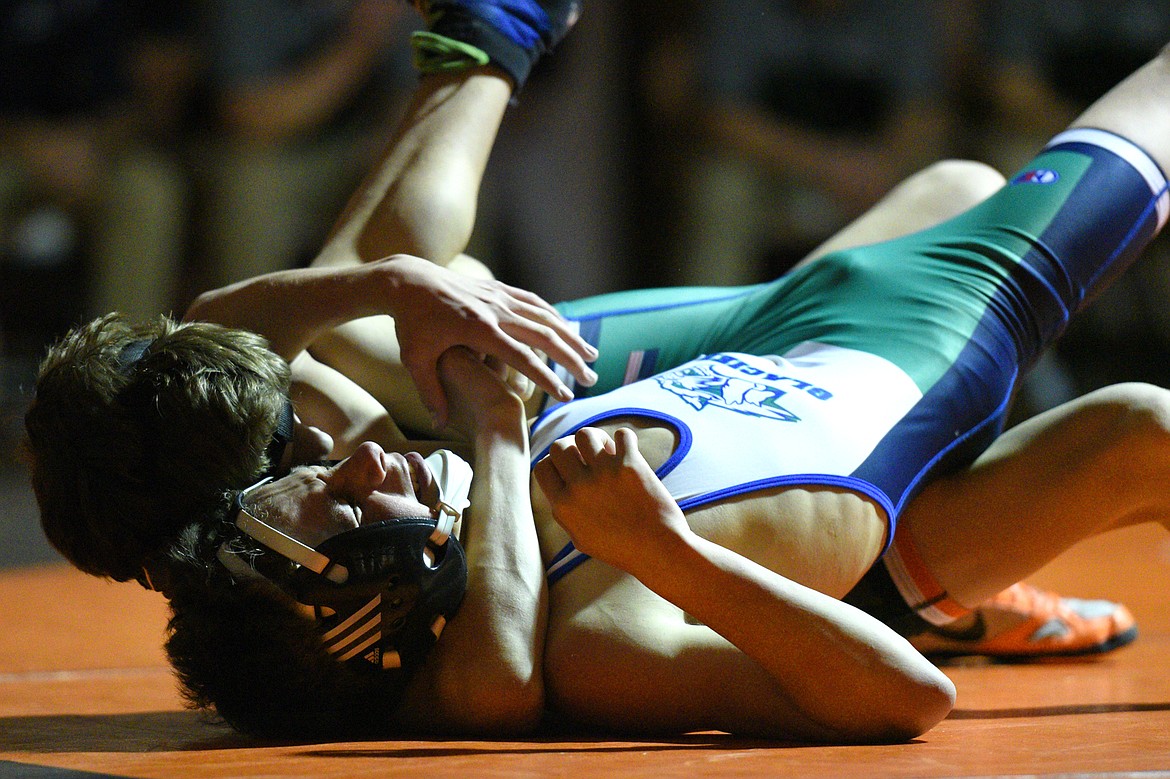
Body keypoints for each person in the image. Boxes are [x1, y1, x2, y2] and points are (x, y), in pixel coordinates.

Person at [26, 5, 1168, 742]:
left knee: (956, 179)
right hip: (871, 421)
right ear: (351, 587)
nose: (355, 447)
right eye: (325, 479)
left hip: (771, 373)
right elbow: (500, 676)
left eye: (309, 461)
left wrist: (410, 308)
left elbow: (233, 327)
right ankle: (492, 41)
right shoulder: (549, 642)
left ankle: (487, 44)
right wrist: (650, 541)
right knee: (1137, 413)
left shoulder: (275, 539)